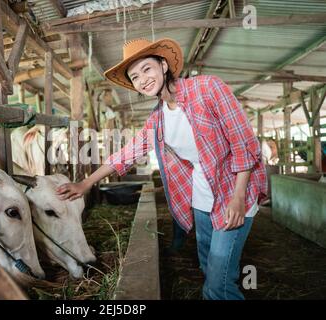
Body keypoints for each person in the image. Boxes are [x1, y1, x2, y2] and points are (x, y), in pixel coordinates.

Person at [56, 38, 267, 300]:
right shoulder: (157, 119)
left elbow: (243, 142)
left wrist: (238, 198)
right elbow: (127, 153)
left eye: (146, 68)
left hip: (233, 194)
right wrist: (86, 183)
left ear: (164, 65)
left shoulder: (208, 88)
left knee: (219, 285)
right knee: (207, 267)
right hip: (201, 198)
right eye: (134, 77)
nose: (142, 79)